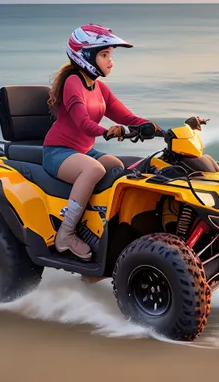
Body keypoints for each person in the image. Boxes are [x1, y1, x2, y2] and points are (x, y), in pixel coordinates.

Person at [43, 23, 154, 261]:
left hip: (83, 150)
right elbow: (82, 122)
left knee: (116, 167)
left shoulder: (99, 87)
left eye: (110, 55)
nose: (110, 61)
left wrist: (160, 129)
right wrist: (107, 132)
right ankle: (66, 234)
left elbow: (127, 116)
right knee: (94, 169)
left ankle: (97, 227)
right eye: (104, 55)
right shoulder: (73, 82)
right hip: (58, 152)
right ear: (85, 56)